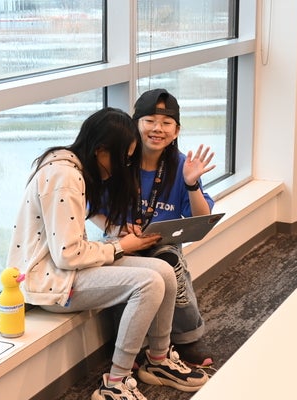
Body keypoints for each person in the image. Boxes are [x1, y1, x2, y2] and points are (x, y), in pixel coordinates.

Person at [6, 107, 209, 400]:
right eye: (122, 158)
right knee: (148, 282)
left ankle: (158, 360)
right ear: (101, 150)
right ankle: (115, 383)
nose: (122, 165)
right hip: (50, 281)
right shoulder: (65, 177)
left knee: (162, 270)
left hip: (67, 271)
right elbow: (67, 255)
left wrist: (118, 239)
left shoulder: (70, 167)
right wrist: (119, 246)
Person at [91, 89, 216, 367]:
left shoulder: (182, 165)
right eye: (149, 120)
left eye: (166, 123)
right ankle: (133, 343)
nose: (157, 129)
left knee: (169, 259)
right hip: (123, 243)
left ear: (176, 130)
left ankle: (185, 339)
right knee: (132, 269)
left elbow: (201, 217)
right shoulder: (118, 161)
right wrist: (116, 228)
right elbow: (91, 207)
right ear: (136, 123)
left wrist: (191, 184)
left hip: (163, 244)